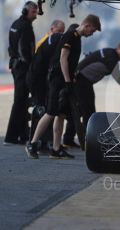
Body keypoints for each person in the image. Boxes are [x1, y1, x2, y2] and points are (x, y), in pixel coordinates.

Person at [25, 14, 101, 159]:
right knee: (51, 112)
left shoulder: (76, 37)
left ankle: (56, 148)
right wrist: (67, 81)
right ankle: (32, 143)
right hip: (57, 80)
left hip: (65, 81)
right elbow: (63, 58)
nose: (92, 34)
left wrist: (70, 81)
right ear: (87, 25)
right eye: (93, 30)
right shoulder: (70, 36)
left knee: (61, 114)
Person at [74, 41, 120, 131]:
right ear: (118, 48)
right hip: (82, 81)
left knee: (81, 110)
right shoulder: (112, 57)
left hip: (82, 81)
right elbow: (119, 79)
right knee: (88, 111)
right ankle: (87, 133)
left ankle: (74, 136)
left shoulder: (108, 52)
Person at [4, 1, 38, 145]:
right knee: (19, 101)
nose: (36, 15)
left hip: (16, 65)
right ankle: (11, 137)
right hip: (22, 68)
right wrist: (31, 64)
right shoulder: (25, 26)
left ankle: (23, 135)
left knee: (23, 101)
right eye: (33, 12)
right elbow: (24, 49)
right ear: (26, 11)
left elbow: (12, 46)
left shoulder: (15, 24)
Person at [27, 20, 65, 107]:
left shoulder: (51, 41)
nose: (61, 34)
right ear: (52, 29)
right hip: (37, 76)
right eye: (59, 31)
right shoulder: (44, 42)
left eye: (63, 32)